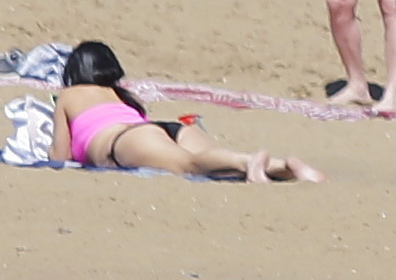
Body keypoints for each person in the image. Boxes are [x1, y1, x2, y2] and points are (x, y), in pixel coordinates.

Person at [53, 39, 323, 182]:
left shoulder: (68, 96)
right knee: (207, 159)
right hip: (161, 129)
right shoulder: (120, 96)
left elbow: (60, 157)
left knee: (188, 166)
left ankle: (249, 161)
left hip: (122, 142)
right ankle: (286, 167)